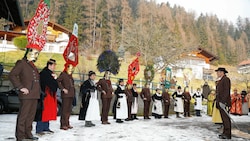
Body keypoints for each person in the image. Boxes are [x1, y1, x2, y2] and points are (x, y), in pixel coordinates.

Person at [9, 47, 41, 141]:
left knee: (31, 116)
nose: (36, 56)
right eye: (34, 53)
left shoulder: (31, 65)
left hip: (34, 94)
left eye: (37, 54)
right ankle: (20, 136)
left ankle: (28, 133)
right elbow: (12, 75)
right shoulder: (21, 63)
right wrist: (20, 87)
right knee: (23, 116)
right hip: (26, 94)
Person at [35, 59, 58, 135]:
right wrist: (54, 79)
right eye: (53, 65)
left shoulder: (49, 73)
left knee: (47, 112)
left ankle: (46, 127)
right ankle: (39, 129)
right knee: (43, 112)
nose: (54, 67)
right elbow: (49, 84)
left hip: (49, 95)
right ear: (49, 65)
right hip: (44, 95)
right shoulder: (44, 73)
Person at [57, 63, 75, 130]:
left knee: (69, 110)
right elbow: (58, 81)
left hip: (71, 94)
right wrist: (63, 89)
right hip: (66, 95)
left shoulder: (70, 75)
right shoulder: (63, 74)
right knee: (64, 110)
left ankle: (67, 123)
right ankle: (63, 124)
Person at [215, 67, 231, 139]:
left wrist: (223, 102)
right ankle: (225, 132)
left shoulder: (226, 79)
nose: (217, 73)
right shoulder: (221, 80)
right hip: (220, 101)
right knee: (223, 119)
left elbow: (226, 91)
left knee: (226, 118)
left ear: (222, 72)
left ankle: (227, 134)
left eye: (218, 72)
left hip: (224, 102)